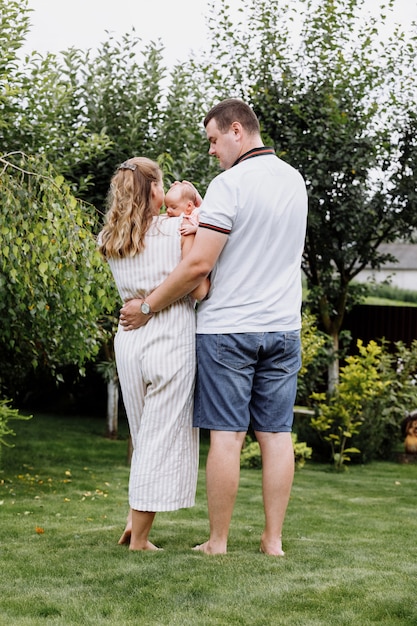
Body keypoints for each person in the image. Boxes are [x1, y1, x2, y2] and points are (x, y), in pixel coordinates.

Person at [119, 98, 308, 556]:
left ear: (236, 131)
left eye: (213, 139)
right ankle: (273, 542)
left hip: (228, 329)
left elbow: (198, 264)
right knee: (276, 435)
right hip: (283, 327)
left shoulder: (229, 184)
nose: (211, 151)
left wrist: (147, 307)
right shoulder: (295, 180)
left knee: (227, 435)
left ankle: (218, 542)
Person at [98, 156, 209, 551]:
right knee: (158, 440)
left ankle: (133, 522)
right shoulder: (176, 230)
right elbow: (199, 288)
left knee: (145, 436)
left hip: (129, 341)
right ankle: (140, 539)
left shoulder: (109, 239)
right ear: (154, 190)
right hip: (169, 339)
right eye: (161, 185)